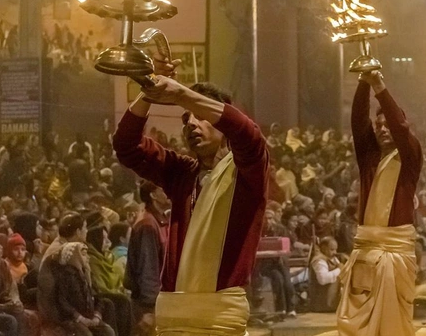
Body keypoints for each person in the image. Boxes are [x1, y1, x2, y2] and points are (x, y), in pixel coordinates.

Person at [112, 55, 269, 336]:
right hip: (175, 313)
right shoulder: (182, 173)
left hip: (219, 315)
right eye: (186, 118)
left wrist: (182, 94)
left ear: (223, 127)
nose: (191, 124)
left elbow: (249, 134)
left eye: (202, 117)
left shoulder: (247, 172)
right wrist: (148, 92)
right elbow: (126, 145)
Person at [328, 71, 422, 335]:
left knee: (393, 325)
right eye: (378, 126)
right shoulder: (368, 158)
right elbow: (358, 122)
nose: (382, 129)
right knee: (357, 323)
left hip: (396, 251)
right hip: (366, 249)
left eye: (387, 124)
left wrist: (380, 86)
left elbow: (401, 129)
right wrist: (362, 82)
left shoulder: (410, 158)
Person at [40, 242, 115, 336]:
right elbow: (62, 301)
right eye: (83, 254)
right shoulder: (65, 276)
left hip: (89, 316)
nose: (88, 257)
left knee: (108, 332)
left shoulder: (86, 273)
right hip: (71, 318)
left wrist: (97, 315)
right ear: (74, 257)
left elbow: (97, 296)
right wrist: (79, 317)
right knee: (86, 334)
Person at [125, 182, 166, 332]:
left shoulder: (158, 220)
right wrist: (152, 306)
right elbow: (148, 267)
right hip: (148, 304)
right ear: (153, 195)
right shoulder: (147, 224)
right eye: (163, 188)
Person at [308, 236, 342, 313]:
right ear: (323, 248)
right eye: (332, 249)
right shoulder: (319, 261)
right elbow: (322, 280)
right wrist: (339, 270)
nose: (335, 252)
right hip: (322, 304)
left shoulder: (333, 258)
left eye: (336, 249)